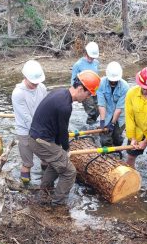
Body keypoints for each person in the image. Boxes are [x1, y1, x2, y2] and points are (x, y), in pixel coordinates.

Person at [28, 70, 101, 206]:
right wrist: (66, 149)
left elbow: (56, 128)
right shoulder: (65, 106)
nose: (88, 97)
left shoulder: (60, 92)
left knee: (58, 162)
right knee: (69, 172)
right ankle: (58, 204)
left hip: (36, 138)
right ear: (80, 89)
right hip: (41, 141)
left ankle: (45, 191)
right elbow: (62, 132)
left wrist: (61, 150)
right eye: (88, 93)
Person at [11, 60, 47, 184]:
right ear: (25, 77)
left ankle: (46, 183)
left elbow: (45, 107)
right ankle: (25, 188)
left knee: (46, 158)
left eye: (38, 82)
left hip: (41, 128)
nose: (36, 85)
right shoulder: (18, 93)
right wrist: (39, 131)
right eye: (33, 83)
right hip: (25, 131)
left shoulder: (41, 87)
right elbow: (27, 118)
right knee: (27, 163)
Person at [97, 61, 129, 147]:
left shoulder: (125, 87)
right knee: (105, 140)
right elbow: (101, 104)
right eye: (111, 80)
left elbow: (119, 109)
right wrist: (103, 122)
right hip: (107, 114)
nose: (113, 82)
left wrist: (113, 123)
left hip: (120, 116)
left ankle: (116, 155)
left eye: (115, 80)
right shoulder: (101, 83)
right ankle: (106, 157)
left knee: (117, 140)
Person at [71, 42, 100, 125]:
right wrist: (76, 95)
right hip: (84, 91)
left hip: (94, 90)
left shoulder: (96, 63)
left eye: (93, 57)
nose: (91, 58)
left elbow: (95, 76)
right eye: (90, 56)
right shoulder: (78, 65)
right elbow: (73, 81)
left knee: (99, 108)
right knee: (91, 111)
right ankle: (90, 126)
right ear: (86, 53)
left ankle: (91, 123)